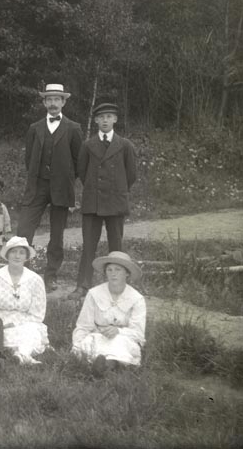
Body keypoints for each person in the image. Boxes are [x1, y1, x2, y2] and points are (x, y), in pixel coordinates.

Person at [16, 83, 83, 291]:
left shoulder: (73, 128)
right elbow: (29, 159)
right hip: (37, 186)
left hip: (61, 188)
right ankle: (22, 274)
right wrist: (38, 177)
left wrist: (66, 178)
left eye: (57, 99)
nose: (53, 103)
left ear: (63, 102)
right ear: (44, 102)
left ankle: (51, 276)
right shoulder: (34, 128)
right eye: (49, 99)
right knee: (23, 230)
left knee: (57, 234)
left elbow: (78, 161)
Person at [70, 101, 138, 299]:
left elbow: (131, 175)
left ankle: (117, 287)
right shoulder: (87, 145)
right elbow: (83, 172)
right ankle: (83, 285)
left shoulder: (125, 145)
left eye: (109, 117)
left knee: (116, 248)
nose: (105, 120)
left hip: (116, 203)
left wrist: (117, 190)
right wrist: (95, 190)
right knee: (88, 246)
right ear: (96, 121)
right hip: (93, 203)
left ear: (115, 119)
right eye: (101, 117)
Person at [72, 251, 146, 376]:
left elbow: (138, 334)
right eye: (109, 270)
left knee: (119, 344)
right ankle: (106, 366)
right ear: (105, 272)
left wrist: (119, 331)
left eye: (118, 270)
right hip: (98, 336)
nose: (113, 274)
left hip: (123, 339)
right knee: (91, 343)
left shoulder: (136, 299)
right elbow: (83, 325)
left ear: (127, 273)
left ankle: (106, 366)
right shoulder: (94, 294)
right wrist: (77, 346)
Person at [0, 237, 49, 364]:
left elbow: (38, 314)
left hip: (26, 324)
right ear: (7, 255)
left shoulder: (35, 280)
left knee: (32, 331)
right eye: (13, 252)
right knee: (3, 335)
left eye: (21, 252)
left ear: (26, 256)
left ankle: (22, 355)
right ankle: (23, 355)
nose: (17, 256)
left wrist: (17, 324)